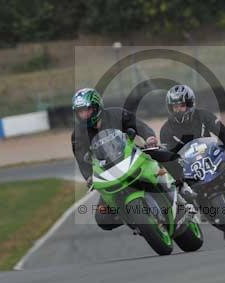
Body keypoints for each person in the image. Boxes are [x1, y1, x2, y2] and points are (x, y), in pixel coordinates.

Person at [71, 87, 193, 231]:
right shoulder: (77, 135)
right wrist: (89, 177)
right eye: (80, 112)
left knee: (171, 158)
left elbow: (138, 124)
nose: (84, 115)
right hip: (108, 173)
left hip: (133, 155)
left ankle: (182, 189)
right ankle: (134, 218)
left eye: (87, 110)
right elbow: (81, 160)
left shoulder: (115, 114)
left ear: (97, 106)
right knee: (102, 218)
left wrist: (149, 137)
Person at [159, 84, 225, 153]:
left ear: (190, 104)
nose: (178, 110)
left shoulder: (204, 116)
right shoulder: (166, 129)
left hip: (210, 158)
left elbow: (224, 134)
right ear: (171, 108)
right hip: (186, 164)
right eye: (175, 106)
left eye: (182, 105)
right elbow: (169, 156)